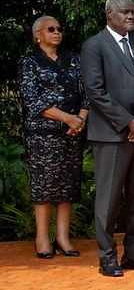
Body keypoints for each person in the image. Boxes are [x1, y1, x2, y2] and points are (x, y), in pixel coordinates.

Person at [82, 0, 134, 276]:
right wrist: (129, 122)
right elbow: (95, 91)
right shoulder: (95, 45)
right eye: (124, 12)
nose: (130, 16)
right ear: (109, 14)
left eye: (132, 12)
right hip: (112, 135)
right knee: (109, 200)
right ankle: (107, 259)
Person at [17, 16, 89, 259]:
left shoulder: (73, 59)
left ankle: (63, 237)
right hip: (42, 133)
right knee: (45, 185)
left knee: (68, 184)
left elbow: (87, 92)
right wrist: (67, 118)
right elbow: (32, 100)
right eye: (51, 29)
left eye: (59, 29)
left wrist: (79, 119)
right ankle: (42, 238)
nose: (56, 32)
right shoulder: (29, 61)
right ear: (39, 34)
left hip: (72, 132)